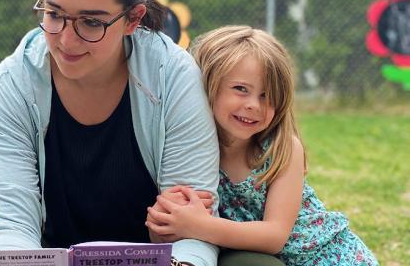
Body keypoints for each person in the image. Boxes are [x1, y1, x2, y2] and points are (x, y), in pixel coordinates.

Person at [0, 0, 223, 265]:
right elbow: (14, 226)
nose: (66, 40)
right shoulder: (11, 84)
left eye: (91, 22)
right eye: (54, 14)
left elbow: (190, 233)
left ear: (133, 19)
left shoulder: (173, 76)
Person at [145, 25, 379, 265]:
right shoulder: (188, 147)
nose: (254, 105)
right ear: (207, 84)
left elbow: (274, 236)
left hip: (326, 257)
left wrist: (199, 226)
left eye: (267, 96)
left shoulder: (281, 148)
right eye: (240, 89)